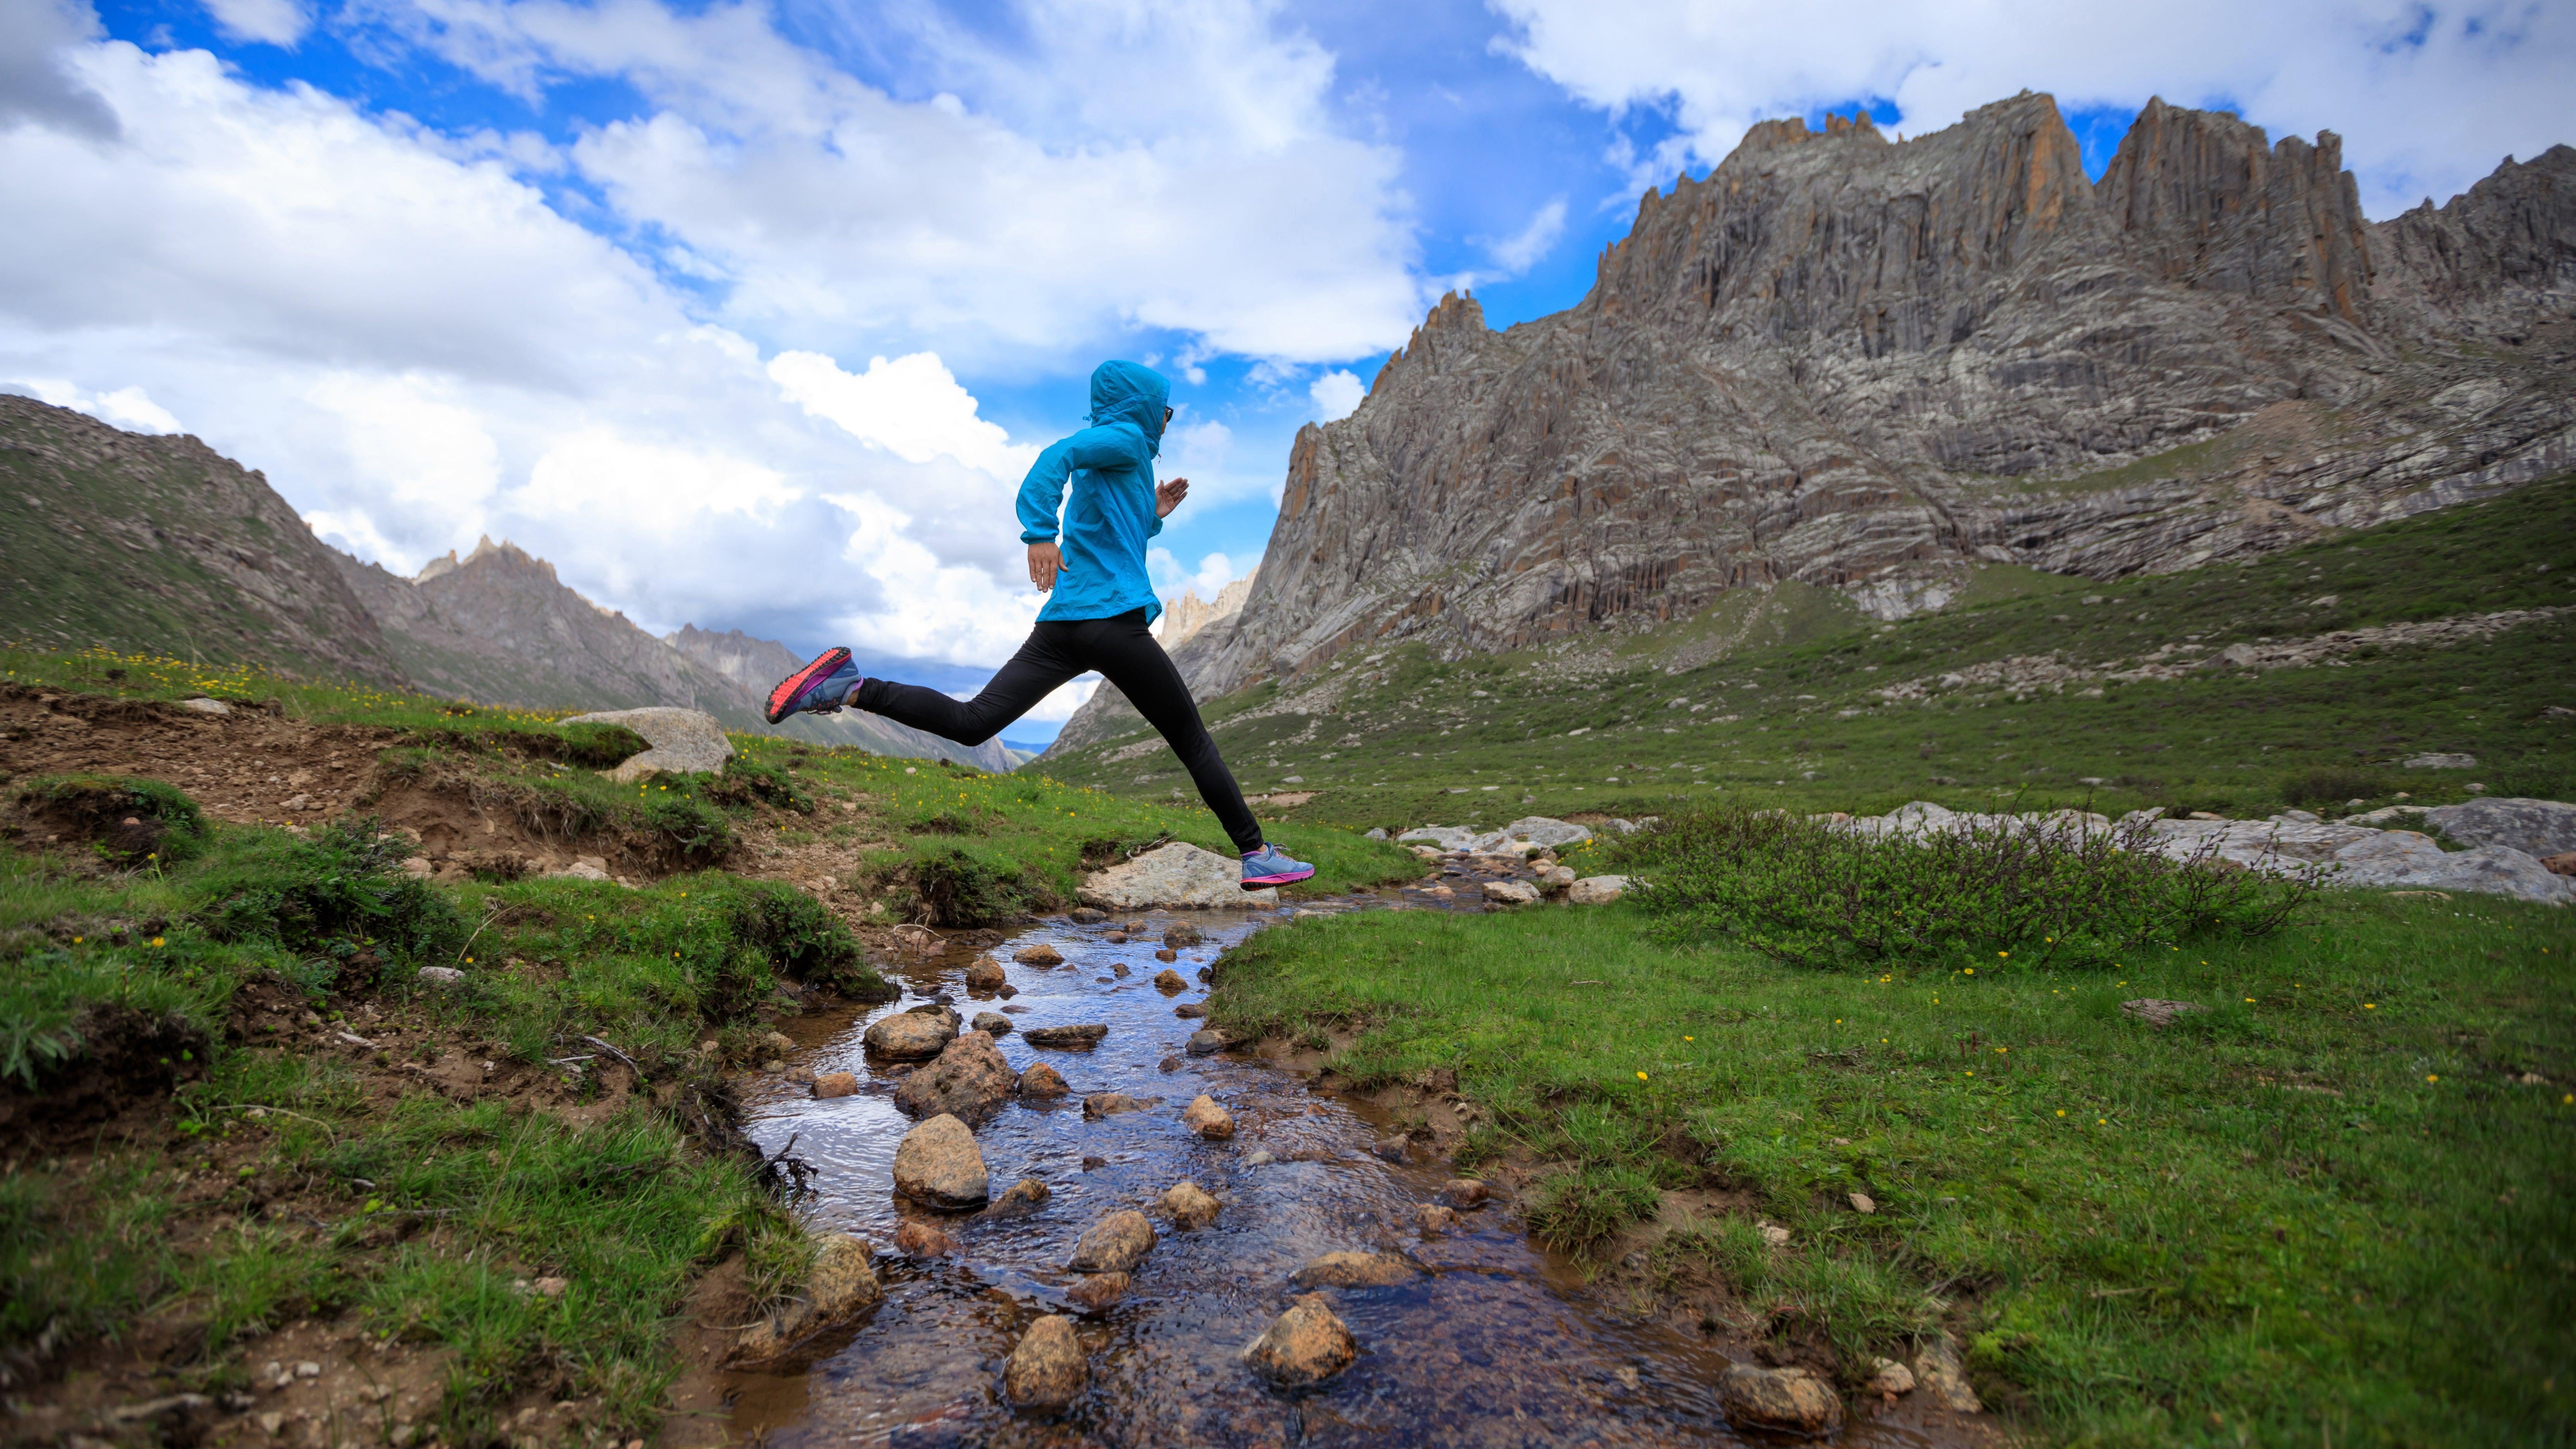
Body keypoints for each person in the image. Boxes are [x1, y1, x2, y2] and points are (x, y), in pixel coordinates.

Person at [763, 359, 1315, 890]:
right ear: (1140, 406)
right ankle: (1255, 854)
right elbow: (1058, 454)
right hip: (1113, 624)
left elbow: (1104, 531)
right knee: (1193, 741)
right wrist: (1039, 533)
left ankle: (851, 687)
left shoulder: (1125, 459)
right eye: (1164, 411)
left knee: (974, 720)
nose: (1166, 421)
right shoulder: (1124, 439)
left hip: (1064, 626)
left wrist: (1150, 516)